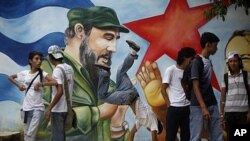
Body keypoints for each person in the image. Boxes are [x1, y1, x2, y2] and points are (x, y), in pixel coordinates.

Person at [40, 6, 130, 141]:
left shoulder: (108, 84)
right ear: (80, 31)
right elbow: (40, 125)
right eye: (108, 37)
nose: (113, 48)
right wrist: (98, 113)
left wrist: (116, 127)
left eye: (115, 39)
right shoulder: (47, 69)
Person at [96, 40, 162, 141]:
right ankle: (104, 73)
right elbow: (154, 138)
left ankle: (133, 52)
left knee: (120, 71)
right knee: (102, 96)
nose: (150, 129)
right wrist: (155, 131)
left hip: (132, 92)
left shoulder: (141, 122)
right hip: (128, 98)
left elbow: (132, 133)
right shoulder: (153, 121)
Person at [8, 51, 57, 141]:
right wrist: (19, 85)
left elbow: (54, 82)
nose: (39, 61)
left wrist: (41, 84)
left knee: (31, 133)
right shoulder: (25, 73)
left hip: (38, 108)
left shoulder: (42, 73)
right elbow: (10, 77)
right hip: (26, 108)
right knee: (27, 134)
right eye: (36, 59)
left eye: (40, 59)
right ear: (30, 61)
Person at [189, 32, 223, 141]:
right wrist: (203, 107)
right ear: (208, 45)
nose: (216, 48)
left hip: (212, 103)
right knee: (196, 136)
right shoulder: (196, 62)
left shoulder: (209, 61)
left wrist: (210, 105)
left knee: (217, 135)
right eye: (215, 45)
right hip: (198, 106)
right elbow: (195, 86)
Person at [161, 47, 196, 141]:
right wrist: (169, 104)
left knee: (186, 137)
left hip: (187, 109)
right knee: (170, 137)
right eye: (191, 59)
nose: (192, 61)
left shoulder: (190, 71)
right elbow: (163, 89)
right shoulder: (171, 70)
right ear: (185, 58)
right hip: (174, 109)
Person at [44, 45, 74, 141]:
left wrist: (49, 108)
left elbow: (60, 91)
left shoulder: (57, 71)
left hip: (58, 109)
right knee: (61, 136)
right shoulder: (69, 68)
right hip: (68, 108)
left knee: (57, 137)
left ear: (50, 57)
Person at [220, 51, 250, 141]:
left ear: (239, 62)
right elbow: (223, 97)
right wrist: (222, 115)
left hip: (243, 114)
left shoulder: (246, 75)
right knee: (231, 138)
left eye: (235, 61)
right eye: (231, 61)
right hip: (229, 114)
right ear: (228, 63)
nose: (233, 63)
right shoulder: (225, 77)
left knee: (242, 137)